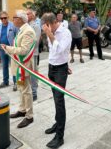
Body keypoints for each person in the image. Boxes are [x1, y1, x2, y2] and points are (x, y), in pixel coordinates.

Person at [41, 12, 72, 149]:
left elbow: (59, 50)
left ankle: (60, 136)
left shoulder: (65, 33)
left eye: (47, 26)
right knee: (55, 97)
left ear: (52, 23)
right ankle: (57, 123)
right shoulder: (51, 32)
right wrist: (49, 34)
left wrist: (50, 34)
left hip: (60, 70)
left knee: (59, 101)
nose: (46, 29)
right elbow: (53, 52)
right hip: (52, 68)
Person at [3, 10, 36, 128]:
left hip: (24, 65)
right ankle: (22, 110)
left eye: (14, 17)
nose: (13, 19)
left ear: (21, 19)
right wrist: (9, 48)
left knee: (26, 90)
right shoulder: (22, 29)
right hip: (19, 65)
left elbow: (23, 50)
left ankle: (29, 116)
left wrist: (8, 48)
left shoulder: (28, 31)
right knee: (21, 88)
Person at [0, 11, 18, 90]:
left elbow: (17, 36)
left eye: (5, 18)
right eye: (1, 18)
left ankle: (16, 83)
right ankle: (5, 81)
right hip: (2, 49)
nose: (3, 20)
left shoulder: (13, 25)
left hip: (11, 48)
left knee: (13, 66)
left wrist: (14, 46)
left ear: (8, 18)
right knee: (4, 66)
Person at [27, 9, 41, 101]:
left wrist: (25, 45)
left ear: (32, 15)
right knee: (27, 73)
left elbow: (36, 41)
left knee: (33, 73)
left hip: (33, 53)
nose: (26, 15)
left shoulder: (35, 26)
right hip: (25, 53)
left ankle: (34, 92)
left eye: (28, 14)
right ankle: (28, 90)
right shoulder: (26, 26)